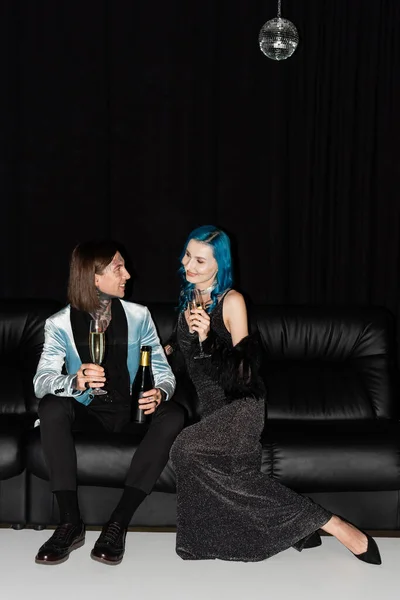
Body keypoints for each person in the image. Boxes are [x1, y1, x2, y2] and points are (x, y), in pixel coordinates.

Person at [167, 225, 381, 565]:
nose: (188, 265)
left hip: (240, 407)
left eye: (200, 260)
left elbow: (244, 373)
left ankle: (333, 523)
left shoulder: (231, 301)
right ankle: (297, 531)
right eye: (188, 255)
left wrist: (208, 338)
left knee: (184, 449)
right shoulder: (190, 299)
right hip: (212, 410)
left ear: (219, 265)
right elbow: (187, 358)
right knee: (234, 475)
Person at [33, 240, 186, 566]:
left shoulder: (139, 315)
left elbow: (164, 372)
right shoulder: (59, 323)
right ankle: (69, 522)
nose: (128, 275)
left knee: (173, 415)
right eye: (118, 268)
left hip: (133, 410)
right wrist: (73, 381)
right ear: (94, 277)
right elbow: (41, 381)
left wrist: (160, 392)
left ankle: (117, 524)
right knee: (50, 407)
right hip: (88, 409)